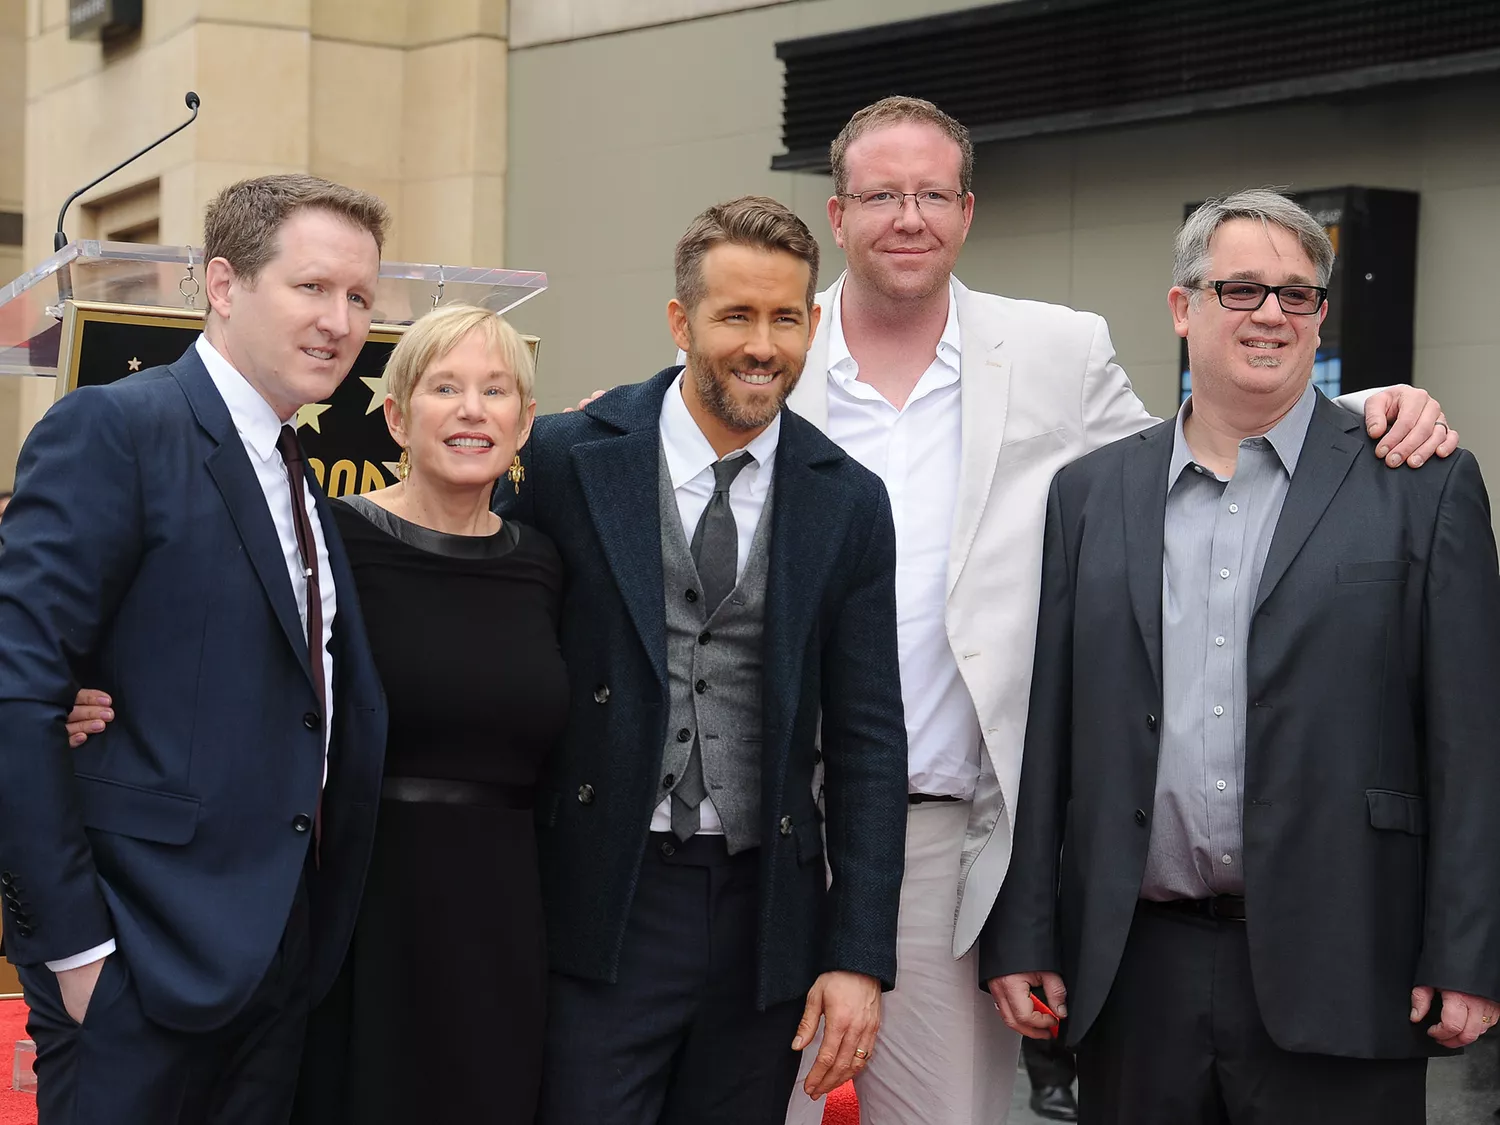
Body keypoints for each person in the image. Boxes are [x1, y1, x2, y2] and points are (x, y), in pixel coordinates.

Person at [778, 97, 1460, 1125]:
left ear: (968, 211)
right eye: (881, 195)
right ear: (837, 215)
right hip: (777, 825)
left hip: (946, 834)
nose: (906, 216)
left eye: (930, 194)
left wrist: (1363, 411)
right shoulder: (772, 350)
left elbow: (1205, 458)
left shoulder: (1052, 350)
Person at [983, 189, 1500, 1124]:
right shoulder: (1091, 496)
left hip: (1351, 958)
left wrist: (1468, 950)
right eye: (1243, 289)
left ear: (1320, 316)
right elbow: (1046, 732)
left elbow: (1471, 738)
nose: (1271, 313)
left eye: (1297, 295)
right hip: (1137, 972)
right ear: (1183, 308)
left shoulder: (1420, 482)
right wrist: (1025, 930)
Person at [499, 196, 909, 1125]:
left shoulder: (850, 501)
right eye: (736, 316)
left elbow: (869, 741)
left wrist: (857, 955)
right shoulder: (564, 458)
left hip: (765, 910)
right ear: (682, 322)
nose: (763, 345)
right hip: (599, 893)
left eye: (786, 318)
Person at [0, 174, 389, 1123]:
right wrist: (77, 956)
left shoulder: (298, 475)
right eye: (312, 288)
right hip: (137, 966)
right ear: (223, 285)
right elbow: (15, 689)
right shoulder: (118, 429)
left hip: (276, 964)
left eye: (361, 298)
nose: (341, 322)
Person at [287, 303, 565, 1123]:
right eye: (445, 388)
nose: (473, 409)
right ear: (398, 416)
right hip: (365, 909)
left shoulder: (547, 563)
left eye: (496, 389)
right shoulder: (333, 540)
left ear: (526, 423)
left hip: (505, 916)